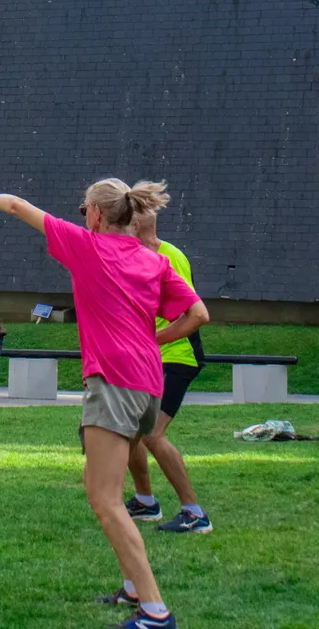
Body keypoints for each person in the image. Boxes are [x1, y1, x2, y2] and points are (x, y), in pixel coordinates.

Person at [0, 179, 208, 629]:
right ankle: (135, 588)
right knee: (107, 489)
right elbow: (198, 315)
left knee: (103, 498)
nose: (82, 219)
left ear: (97, 214)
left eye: (85, 212)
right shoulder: (154, 260)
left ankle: (155, 611)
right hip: (148, 383)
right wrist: (151, 340)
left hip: (114, 380)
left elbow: (19, 205)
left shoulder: (88, 246)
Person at [123, 213, 209, 534]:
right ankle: (146, 502)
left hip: (178, 356)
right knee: (130, 432)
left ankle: (195, 512)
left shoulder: (171, 256)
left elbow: (194, 314)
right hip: (151, 359)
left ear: (137, 224)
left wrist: (152, 340)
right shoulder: (134, 257)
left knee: (151, 434)